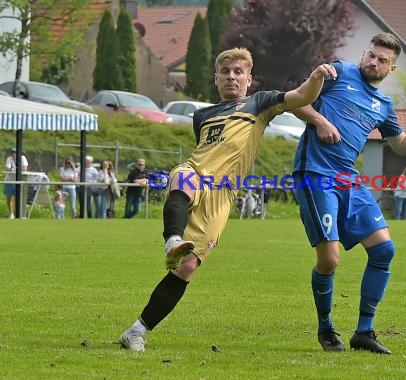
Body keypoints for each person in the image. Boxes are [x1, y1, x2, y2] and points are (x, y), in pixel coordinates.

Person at [118, 47, 336, 352]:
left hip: (221, 196)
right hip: (195, 172)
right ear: (216, 78)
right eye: (225, 72)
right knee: (182, 179)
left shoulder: (260, 102)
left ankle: (136, 331)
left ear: (249, 78)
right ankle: (172, 241)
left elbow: (300, 97)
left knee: (187, 267)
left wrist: (316, 78)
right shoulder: (202, 115)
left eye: (238, 72)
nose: (231, 77)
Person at [290, 32, 406, 354]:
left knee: (384, 250)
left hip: (349, 180)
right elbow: (294, 101)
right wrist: (320, 120)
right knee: (330, 259)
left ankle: (364, 332)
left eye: (382, 60)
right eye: (371, 55)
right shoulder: (338, 72)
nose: (373, 61)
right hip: (316, 175)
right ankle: (326, 329)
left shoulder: (384, 105)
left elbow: (400, 144)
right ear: (364, 53)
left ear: (391, 69)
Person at [4, 147, 29, 219]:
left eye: (15, 153)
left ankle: (19, 213)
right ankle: (11, 213)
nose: (13, 154)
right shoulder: (9, 159)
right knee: (9, 198)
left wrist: (15, 169)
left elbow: (25, 168)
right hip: (9, 180)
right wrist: (12, 169)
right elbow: (8, 168)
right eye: (12, 152)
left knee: (18, 198)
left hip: (19, 181)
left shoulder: (23, 158)